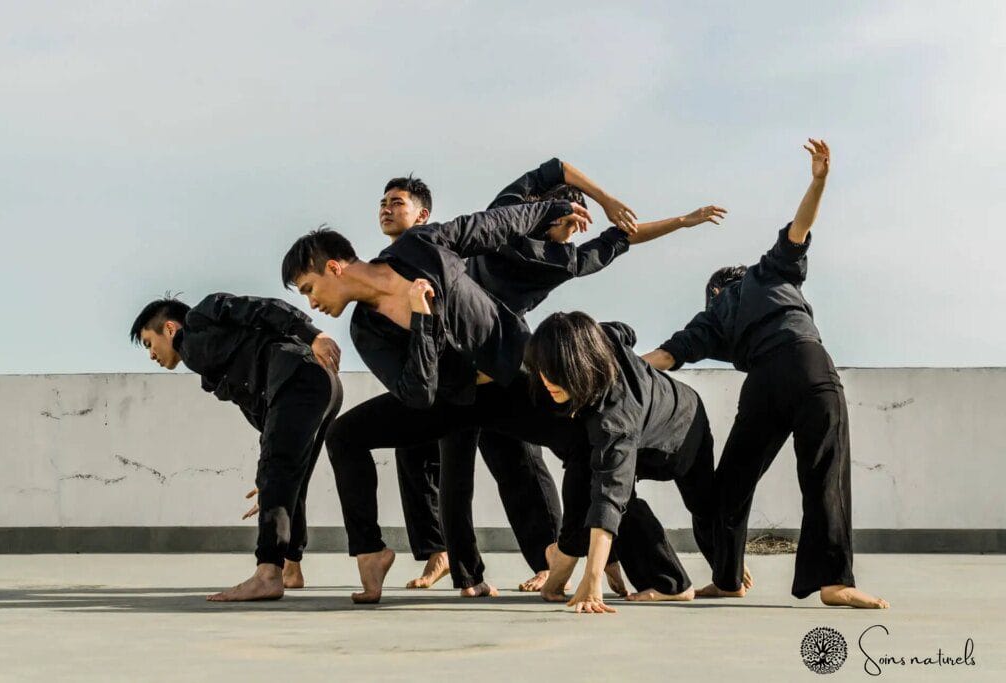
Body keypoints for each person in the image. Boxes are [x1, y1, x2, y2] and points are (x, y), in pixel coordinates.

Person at [380, 162, 728, 594]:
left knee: (510, 464)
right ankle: (518, 564)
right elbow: (571, 186)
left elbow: (611, 225)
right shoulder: (535, 237)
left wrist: (673, 218)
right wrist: (608, 201)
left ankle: (534, 563)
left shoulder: (535, 234)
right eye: (573, 225)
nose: (575, 234)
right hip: (481, 364)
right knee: (511, 461)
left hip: (483, 365)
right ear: (560, 214)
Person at [284, 199, 590, 602]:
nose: (312, 304)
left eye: (309, 288)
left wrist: (552, 208)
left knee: (587, 442)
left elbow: (492, 225)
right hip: (446, 401)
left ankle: (580, 552)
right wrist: (423, 322)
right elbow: (417, 393)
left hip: (507, 381)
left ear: (334, 268)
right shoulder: (366, 330)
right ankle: (371, 553)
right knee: (344, 435)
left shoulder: (420, 247)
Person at [642, 139, 889, 609]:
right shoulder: (766, 274)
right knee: (823, 474)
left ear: (714, 290)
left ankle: (729, 577)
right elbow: (800, 229)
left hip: (763, 386)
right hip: (807, 364)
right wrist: (818, 180)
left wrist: (599, 363)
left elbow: (664, 357)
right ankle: (834, 582)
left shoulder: (711, 318)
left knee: (731, 484)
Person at [129, 294, 343, 601]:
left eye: (150, 343)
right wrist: (267, 474)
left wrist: (315, 336)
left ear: (171, 329)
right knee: (289, 479)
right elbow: (264, 416)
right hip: (317, 386)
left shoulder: (202, 317)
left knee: (278, 473)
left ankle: (268, 574)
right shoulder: (211, 367)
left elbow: (264, 308)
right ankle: (290, 568)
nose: (151, 354)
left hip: (301, 374)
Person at [524, 312, 719, 614]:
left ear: (578, 365)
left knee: (625, 497)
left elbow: (608, 496)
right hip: (656, 415)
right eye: (542, 370)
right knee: (582, 470)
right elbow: (623, 331)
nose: (546, 380)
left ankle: (673, 585)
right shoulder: (598, 341)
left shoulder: (614, 418)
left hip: (678, 435)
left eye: (556, 372)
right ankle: (562, 569)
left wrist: (591, 581)